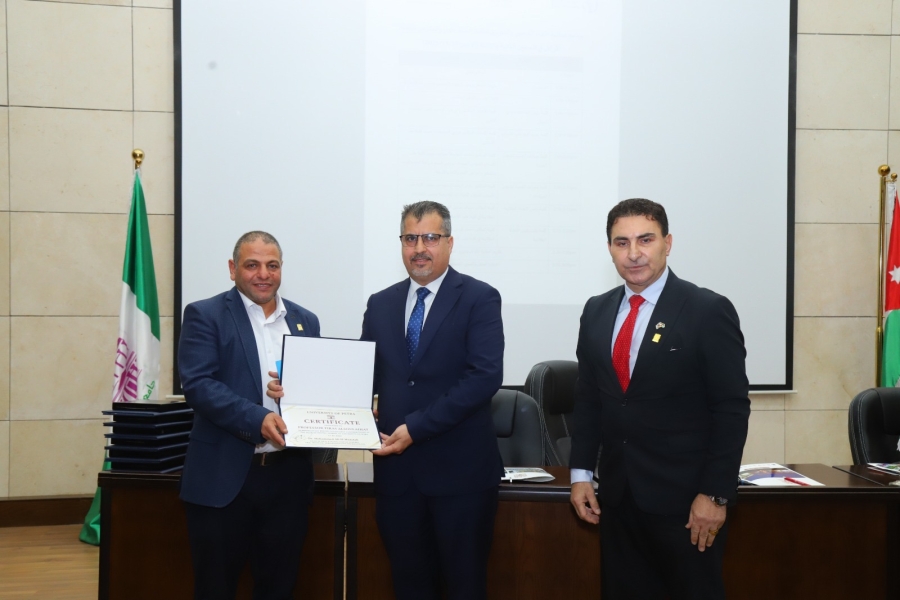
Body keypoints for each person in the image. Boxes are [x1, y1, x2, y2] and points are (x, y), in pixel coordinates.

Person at [569, 198, 750, 600]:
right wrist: (580, 475)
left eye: (645, 240)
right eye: (621, 242)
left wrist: (715, 494)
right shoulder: (596, 311)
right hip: (618, 501)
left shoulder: (707, 310)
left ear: (667, 243)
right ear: (610, 249)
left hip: (687, 506)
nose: (633, 253)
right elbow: (589, 399)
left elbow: (731, 408)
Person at [363, 201, 505, 599]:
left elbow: (484, 377)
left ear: (449, 242)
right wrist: (302, 391)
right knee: (408, 586)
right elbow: (363, 375)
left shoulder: (479, 297)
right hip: (397, 480)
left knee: (463, 587)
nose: (419, 248)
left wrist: (416, 427)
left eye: (430, 237)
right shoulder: (380, 303)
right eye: (410, 238)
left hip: (461, 479)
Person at [178, 231, 320, 600]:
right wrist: (257, 417)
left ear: (281, 269)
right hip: (224, 480)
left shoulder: (305, 320)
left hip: (287, 480)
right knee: (215, 589)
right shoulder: (205, 315)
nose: (263, 274)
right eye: (252, 265)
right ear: (233, 269)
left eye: (272, 265)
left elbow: (312, 387)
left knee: (279, 588)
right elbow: (199, 385)